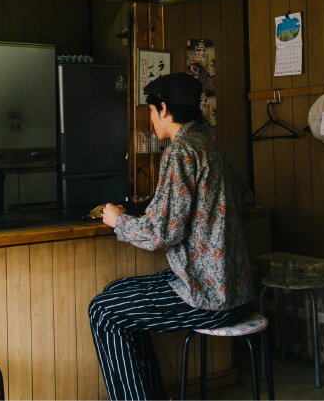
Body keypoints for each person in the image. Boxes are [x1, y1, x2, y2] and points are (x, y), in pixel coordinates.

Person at [89, 72, 255, 401]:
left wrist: (118, 220)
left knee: (104, 311)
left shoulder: (181, 153)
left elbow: (159, 233)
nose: (151, 119)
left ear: (163, 109)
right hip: (233, 286)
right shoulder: (216, 150)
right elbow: (246, 208)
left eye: (151, 111)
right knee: (115, 292)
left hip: (209, 296)